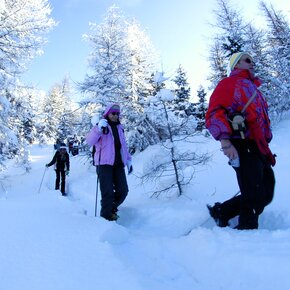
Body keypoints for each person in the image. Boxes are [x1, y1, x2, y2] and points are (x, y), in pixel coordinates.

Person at [205, 51, 276, 230]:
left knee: (266, 188)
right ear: (236, 64)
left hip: (257, 145)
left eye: (252, 60)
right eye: (247, 60)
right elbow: (214, 112)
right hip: (242, 143)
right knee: (253, 191)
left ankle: (222, 211)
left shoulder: (252, 87)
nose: (252, 62)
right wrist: (225, 142)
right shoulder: (229, 84)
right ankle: (247, 233)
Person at [86, 103, 133, 221]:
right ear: (107, 114)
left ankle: (110, 207)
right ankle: (106, 219)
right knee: (107, 193)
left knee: (123, 190)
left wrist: (128, 161)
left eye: (117, 114)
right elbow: (90, 141)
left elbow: (123, 146)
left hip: (118, 164)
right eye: (113, 113)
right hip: (104, 164)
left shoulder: (119, 128)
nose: (115, 116)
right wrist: (98, 129)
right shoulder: (101, 126)